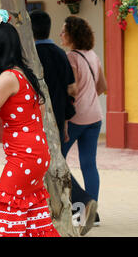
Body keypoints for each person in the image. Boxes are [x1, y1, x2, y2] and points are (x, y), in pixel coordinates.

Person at [0, 9, 60, 237]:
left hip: (24, 158)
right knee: (31, 222)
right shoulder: (20, 73)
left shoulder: (8, 78)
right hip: (36, 155)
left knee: (0, 221)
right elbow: (5, 114)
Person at [29, 10, 97, 235]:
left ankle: (81, 201)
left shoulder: (30, 55)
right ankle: (58, 209)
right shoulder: (60, 54)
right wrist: (66, 120)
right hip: (59, 120)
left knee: (50, 165)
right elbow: (71, 90)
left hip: (36, 121)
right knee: (64, 163)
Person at [60, 16, 107, 235]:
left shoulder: (71, 57)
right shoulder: (93, 55)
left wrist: (67, 121)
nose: (61, 35)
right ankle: (93, 213)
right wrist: (89, 99)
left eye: (64, 31)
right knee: (89, 165)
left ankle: (82, 204)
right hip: (95, 117)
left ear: (72, 35)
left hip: (77, 118)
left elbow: (72, 90)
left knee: (58, 161)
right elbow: (102, 86)